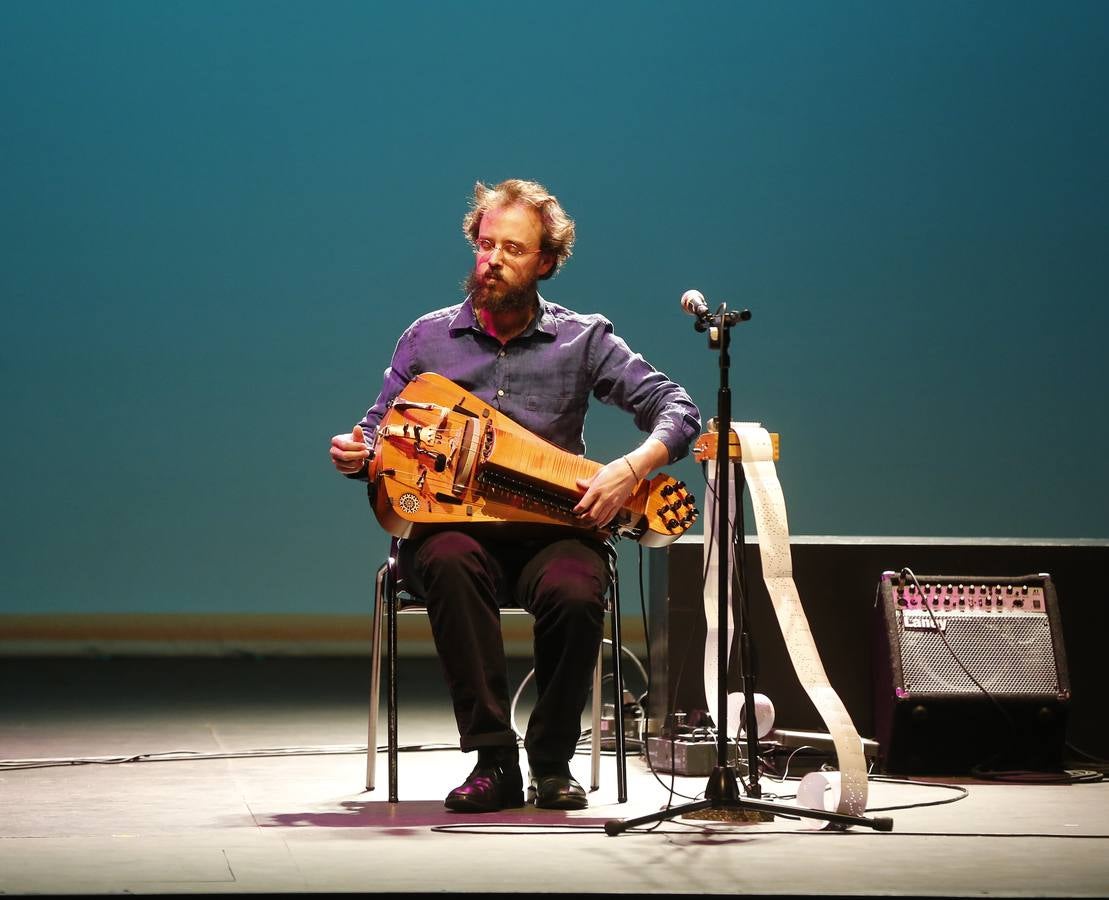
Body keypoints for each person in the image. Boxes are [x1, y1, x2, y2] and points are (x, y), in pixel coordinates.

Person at [330, 178, 700, 812]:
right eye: (484, 243)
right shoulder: (427, 340)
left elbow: (678, 408)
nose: (492, 259)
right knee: (444, 559)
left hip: (554, 533)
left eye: (513, 248)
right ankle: (493, 759)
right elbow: (377, 429)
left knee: (577, 591)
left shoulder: (584, 340)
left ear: (546, 262)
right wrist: (357, 452)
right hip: (455, 531)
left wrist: (630, 470)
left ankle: (552, 762)